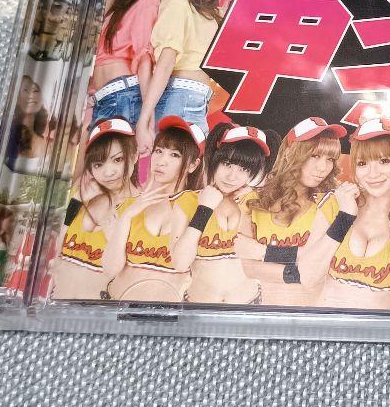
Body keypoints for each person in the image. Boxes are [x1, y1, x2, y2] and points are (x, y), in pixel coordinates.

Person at [298, 118, 390, 311]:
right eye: (363, 163)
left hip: (377, 329)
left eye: (384, 161)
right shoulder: (335, 203)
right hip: (326, 325)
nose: (373, 174)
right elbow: (307, 278)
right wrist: (344, 217)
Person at [235, 117, 345, 307]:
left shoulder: (332, 204)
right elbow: (248, 269)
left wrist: (264, 252)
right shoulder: (252, 202)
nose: (322, 168)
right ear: (289, 153)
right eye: (314, 156)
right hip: (264, 314)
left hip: (314, 316)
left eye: (330, 159)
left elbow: (319, 265)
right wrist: (299, 265)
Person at [135, 0, 229, 156]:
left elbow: (246, 8)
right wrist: (144, 119)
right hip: (180, 98)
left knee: (187, 169)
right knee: (180, 168)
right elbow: (166, 62)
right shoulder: (177, 2)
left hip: (196, 99)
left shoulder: (208, 11)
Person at [102, 117, 205, 302]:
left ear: (193, 165)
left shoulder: (201, 208)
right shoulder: (128, 206)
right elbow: (110, 269)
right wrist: (126, 217)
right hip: (117, 306)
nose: (161, 161)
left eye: (175, 155)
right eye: (158, 151)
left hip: (171, 314)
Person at [172, 122, 272, 304]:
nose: (232, 177)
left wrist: (264, 252)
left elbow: (295, 256)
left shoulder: (255, 203)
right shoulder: (187, 201)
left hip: (250, 303)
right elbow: (180, 263)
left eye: (244, 169)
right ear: (214, 159)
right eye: (227, 164)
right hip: (200, 307)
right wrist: (204, 209)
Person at [91, 0, 182, 127]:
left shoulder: (148, 2)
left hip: (122, 96)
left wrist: (147, 120)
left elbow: (144, 60)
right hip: (103, 96)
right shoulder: (122, 3)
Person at [49, 118, 139, 301]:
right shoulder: (81, 197)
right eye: (98, 164)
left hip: (99, 314)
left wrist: (115, 240)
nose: (108, 172)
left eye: (118, 160)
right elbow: (53, 256)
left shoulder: (141, 208)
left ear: (135, 155)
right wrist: (76, 202)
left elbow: (134, 282)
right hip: (57, 308)